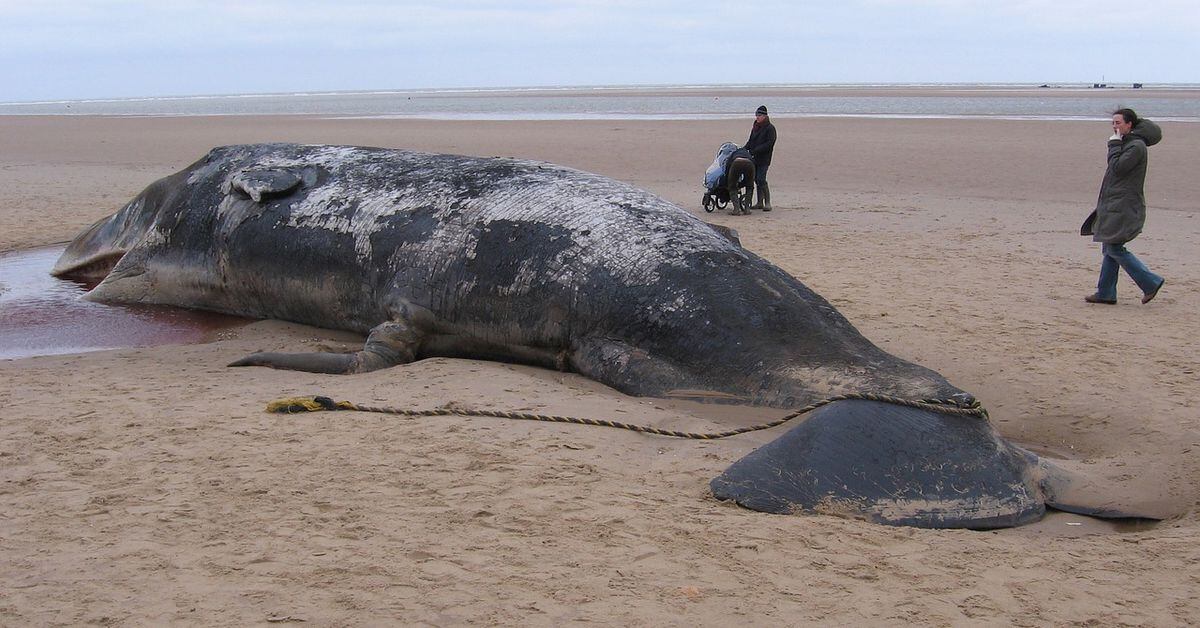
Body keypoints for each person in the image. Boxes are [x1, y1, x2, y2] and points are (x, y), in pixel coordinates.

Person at [1081, 108, 1165, 305]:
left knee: (1114, 247)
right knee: (1109, 247)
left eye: (1118, 123)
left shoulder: (1136, 146)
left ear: (1130, 125)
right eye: (1113, 123)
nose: (1115, 126)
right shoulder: (1128, 143)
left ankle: (1150, 282)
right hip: (1114, 203)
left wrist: (1114, 144)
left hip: (1123, 204)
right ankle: (1106, 292)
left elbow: (1118, 168)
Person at [743, 105, 776, 210]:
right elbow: (750, 141)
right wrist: (744, 149)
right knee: (755, 179)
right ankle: (759, 202)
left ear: (765, 116)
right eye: (756, 115)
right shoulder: (755, 127)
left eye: (759, 115)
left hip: (764, 159)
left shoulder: (770, 128)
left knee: (761, 179)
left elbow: (769, 143)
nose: (757, 117)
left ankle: (767, 202)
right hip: (753, 158)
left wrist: (756, 149)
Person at [725, 147, 755, 215]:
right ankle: (747, 209)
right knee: (750, 187)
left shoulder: (734, 153)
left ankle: (736, 209)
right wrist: (743, 183)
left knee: (732, 187)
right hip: (749, 163)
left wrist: (728, 181)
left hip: (737, 162)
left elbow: (728, 167)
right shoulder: (748, 154)